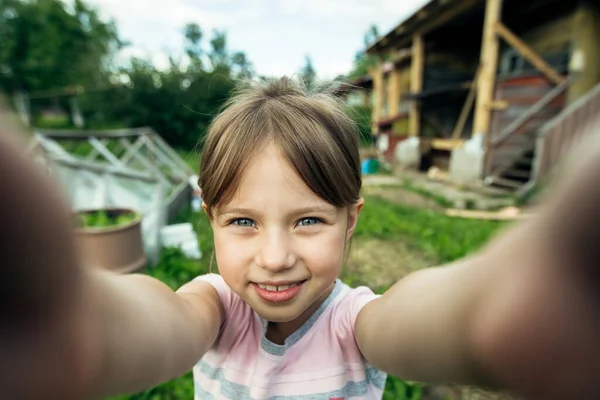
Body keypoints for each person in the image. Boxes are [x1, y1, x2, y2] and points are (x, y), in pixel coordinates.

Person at [1, 77, 599, 400]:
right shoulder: (214, 307)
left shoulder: (353, 324)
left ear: (351, 219)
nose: (276, 257)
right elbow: (159, 323)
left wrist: (483, 317)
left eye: (308, 219)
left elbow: (409, 322)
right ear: (210, 217)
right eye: (243, 221)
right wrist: (80, 323)